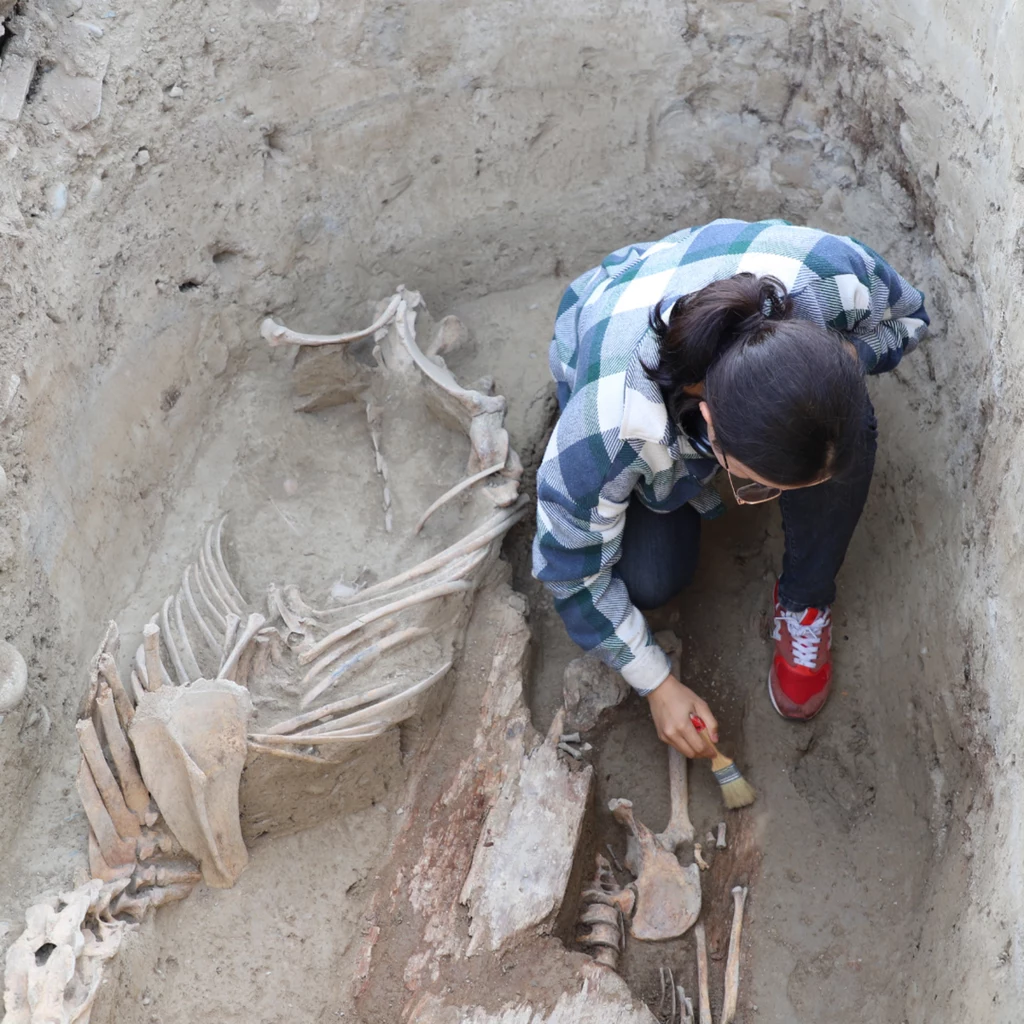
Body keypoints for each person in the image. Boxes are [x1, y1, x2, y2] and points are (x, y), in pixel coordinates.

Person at [532, 218, 929, 758]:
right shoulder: (610, 427)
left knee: (846, 433)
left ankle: (805, 601)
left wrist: (844, 358)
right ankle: (679, 491)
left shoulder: (833, 275)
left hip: (727, 317)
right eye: (762, 486)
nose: (777, 493)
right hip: (609, 316)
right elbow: (570, 572)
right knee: (652, 580)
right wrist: (658, 684)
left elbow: (910, 318)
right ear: (709, 429)